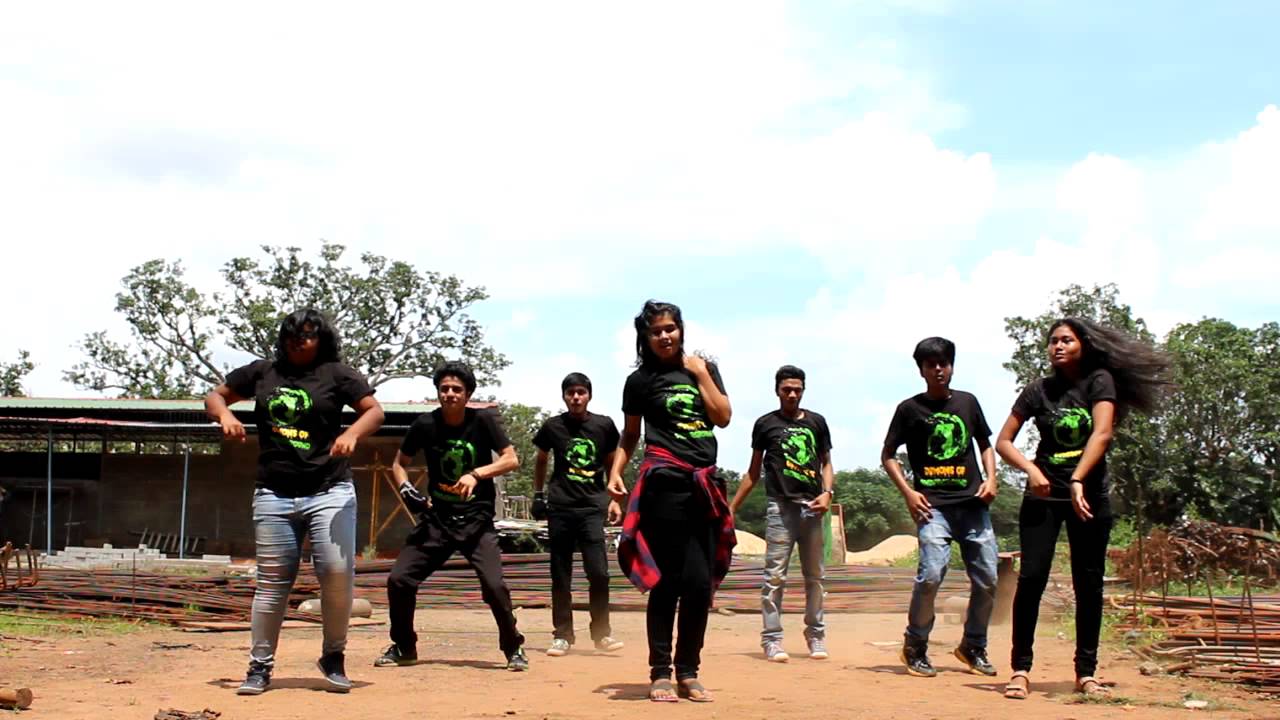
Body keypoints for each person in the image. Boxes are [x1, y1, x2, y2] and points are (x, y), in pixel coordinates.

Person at [205, 308, 384, 695]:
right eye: (290, 335)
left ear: (321, 340)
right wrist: (225, 416)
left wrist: (352, 434)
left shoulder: (338, 374)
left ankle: (333, 655)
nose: (296, 342)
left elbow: (374, 411)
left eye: (306, 335)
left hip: (330, 490)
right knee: (272, 582)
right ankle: (259, 666)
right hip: (274, 492)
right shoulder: (263, 372)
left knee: (336, 572)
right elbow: (216, 396)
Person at [997, 318, 1169, 700]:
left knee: (1088, 584)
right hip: (1042, 497)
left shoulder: (1099, 381)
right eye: (1053, 341)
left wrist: (1077, 479)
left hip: (1089, 497)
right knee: (1032, 579)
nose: (1058, 346)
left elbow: (1102, 433)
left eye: (1067, 340)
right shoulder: (1037, 390)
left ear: (1083, 346)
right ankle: (1020, 669)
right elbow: (1003, 442)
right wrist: (1031, 470)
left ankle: (1085, 673)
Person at [609, 300, 735, 703]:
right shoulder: (640, 381)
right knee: (666, 583)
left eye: (670, 328)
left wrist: (700, 373)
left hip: (704, 487)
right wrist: (615, 472)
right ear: (645, 337)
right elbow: (630, 435)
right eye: (656, 331)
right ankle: (660, 672)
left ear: (681, 330)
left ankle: (689, 671)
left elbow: (723, 417)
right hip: (664, 486)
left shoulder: (703, 368)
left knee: (698, 585)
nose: (665, 336)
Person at [378, 361, 528, 671]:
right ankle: (404, 647)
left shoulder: (482, 421)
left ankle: (513, 647)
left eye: (456, 389)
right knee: (399, 579)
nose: (449, 394)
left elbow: (511, 459)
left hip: (476, 521)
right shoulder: (425, 424)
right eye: (444, 388)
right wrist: (406, 488)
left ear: (467, 394)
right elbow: (399, 463)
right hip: (438, 521)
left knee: (494, 586)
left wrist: (476, 474)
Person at [881, 337, 999, 679]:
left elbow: (985, 444)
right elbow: (888, 455)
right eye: (930, 365)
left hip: (974, 505)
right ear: (921, 370)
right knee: (931, 574)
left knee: (988, 578)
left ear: (951, 367)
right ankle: (915, 645)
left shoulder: (968, 402)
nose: (938, 370)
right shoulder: (909, 409)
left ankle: (973, 645)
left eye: (943, 363)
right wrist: (908, 492)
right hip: (933, 509)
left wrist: (991, 479)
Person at [729, 365, 834, 663]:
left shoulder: (817, 422)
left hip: (813, 508)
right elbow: (753, 472)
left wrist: (828, 493)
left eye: (797, 390)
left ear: (803, 391)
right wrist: (731, 508)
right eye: (786, 389)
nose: (792, 394)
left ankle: (816, 635)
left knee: (816, 576)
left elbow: (827, 463)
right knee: (774, 576)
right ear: (777, 390)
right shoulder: (765, 424)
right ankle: (772, 639)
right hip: (780, 508)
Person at [531, 372, 625, 656]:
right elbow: (541, 459)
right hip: (560, 507)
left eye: (580, 392)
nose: (575, 397)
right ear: (564, 396)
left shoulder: (603, 425)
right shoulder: (553, 426)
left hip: (592, 507)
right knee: (561, 575)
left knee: (599, 573)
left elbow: (612, 464)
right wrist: (538, 495)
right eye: (570, 392)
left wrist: (614, 499)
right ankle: (562, 635)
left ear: (589, 395)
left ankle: (601, 634)